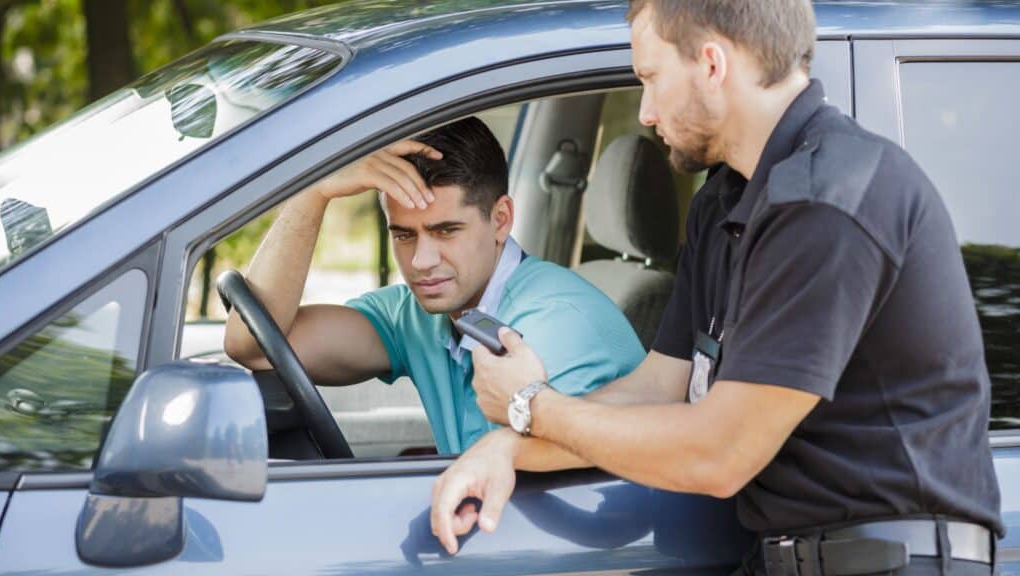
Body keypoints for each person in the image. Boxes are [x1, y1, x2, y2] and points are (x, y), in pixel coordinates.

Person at [430, 2, 1003, 574]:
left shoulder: (827, 200)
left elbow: (723, 452)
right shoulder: (726, 204)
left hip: (894, 562)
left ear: (711, 64)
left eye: (650, 79)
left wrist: (533, 406)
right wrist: (508, 444)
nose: (647, 113)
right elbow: (658, 387)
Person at [223, 117, 645, 455]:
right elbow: (254, 345)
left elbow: (521, 503)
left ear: (500, 220)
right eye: (404, 235)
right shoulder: (417, 313)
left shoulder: (559, 326)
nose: (421, 263)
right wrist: (312, 193)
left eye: (446, 231)